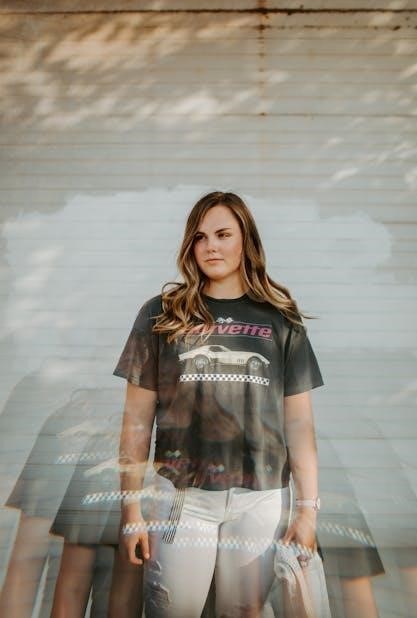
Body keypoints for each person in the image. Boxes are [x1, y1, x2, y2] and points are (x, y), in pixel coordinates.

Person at [112, 190, 326, 617]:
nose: (211, 246)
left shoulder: (281, 318)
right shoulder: (162, 314)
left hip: (262, 499)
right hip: (183, 497)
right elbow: (136, 421)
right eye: (200, 237)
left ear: (246, 240)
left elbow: (300, 426)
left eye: (223, 234)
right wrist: (131, 508)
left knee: (244, 612)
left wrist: (308, 511)